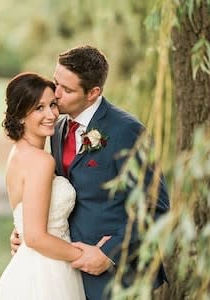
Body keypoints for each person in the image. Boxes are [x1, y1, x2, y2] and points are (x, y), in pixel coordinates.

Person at [11, 45, 170, 299]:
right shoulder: (58, 127)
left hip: (118, 279)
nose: (56, 95)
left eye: (68, 89)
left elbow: (157, 208)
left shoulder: (126, 131)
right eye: (56, 83)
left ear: (93, 93)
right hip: (66, 273)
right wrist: (27, 230)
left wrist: (109, 254)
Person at [0, 72, 86, 300]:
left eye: (53, 104)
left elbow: (27, 223)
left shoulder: (17, 154)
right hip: (48, 270)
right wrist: (83, 255)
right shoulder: (41, 161)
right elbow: (35, 237)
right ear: (21, 116)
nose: (51, 114)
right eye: (38, 108)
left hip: (29, 265)